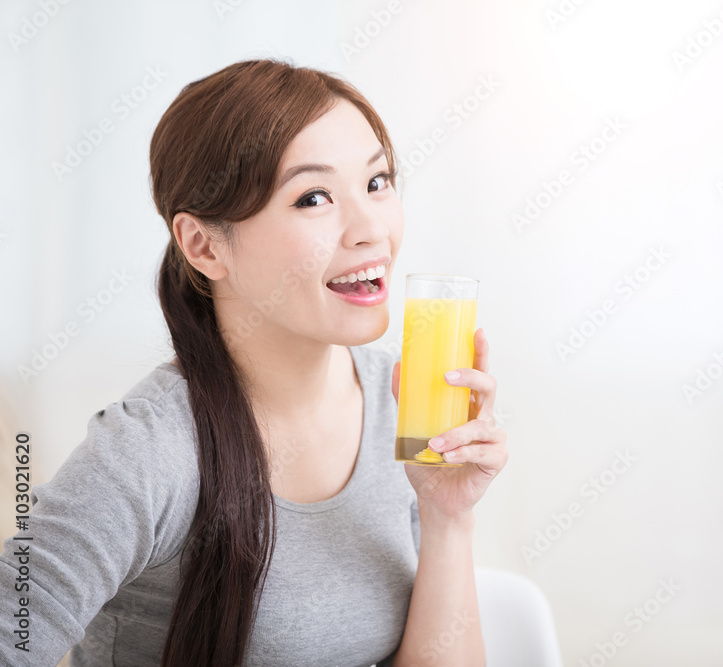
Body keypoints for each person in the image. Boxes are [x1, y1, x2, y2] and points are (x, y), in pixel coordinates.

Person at [0, 58, 508, 666]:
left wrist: (447, 515)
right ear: (205, 245)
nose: (372, 227)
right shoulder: (148, 449)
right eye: (314, 197)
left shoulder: (401, 405)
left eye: (377, 182)